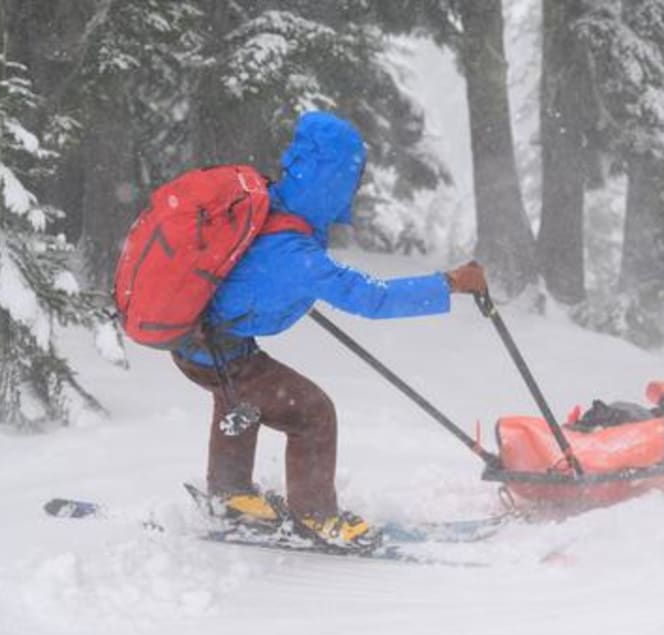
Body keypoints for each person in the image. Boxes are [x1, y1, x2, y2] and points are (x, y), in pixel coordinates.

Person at [173, 111, 487, 547]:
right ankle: (316, 516)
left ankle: (230, 494)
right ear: (333, 182)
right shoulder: (295, 252)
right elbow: (372, 299)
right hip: (218, 348)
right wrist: (448, 284)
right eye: (350, 179)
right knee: (311, 413)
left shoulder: (268, 207)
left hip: (199, 339)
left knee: (241, 397)